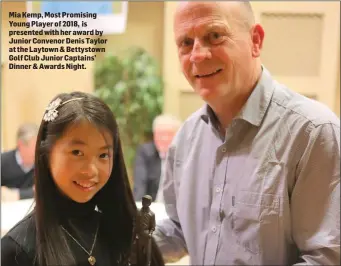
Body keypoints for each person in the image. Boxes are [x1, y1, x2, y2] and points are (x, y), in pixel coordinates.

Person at [153, 1, 340, 265]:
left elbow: (326, 258)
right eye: (185, 43)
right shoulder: (186, 138)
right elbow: (177, 230)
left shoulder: (313, 133)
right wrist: (112, 242)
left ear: (255, 40)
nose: (197, 55)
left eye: (214, 36)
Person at [1, 92, 165, 266]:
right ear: (46, 154)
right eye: (77, 153)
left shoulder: (125, 233)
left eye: (103, 155)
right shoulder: (18, 250)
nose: (91, 170)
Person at [133, 114, 181, 202]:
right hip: (151, 207)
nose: (164, 138)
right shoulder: (145, 152)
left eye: (169, 134)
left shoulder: (184, 155)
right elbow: (140, 184)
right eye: (160, 134)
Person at [1, 123, 38, 201]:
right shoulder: (3, 161)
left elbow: (43, 190)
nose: (39, 150)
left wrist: (18, 195)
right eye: (35, 146)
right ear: (21, 144)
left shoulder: (42, 163)